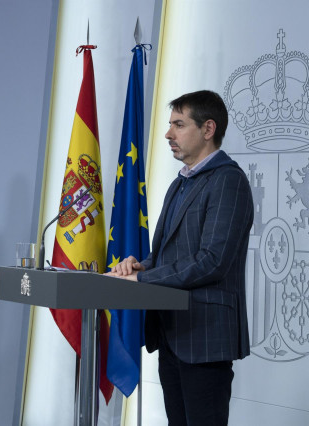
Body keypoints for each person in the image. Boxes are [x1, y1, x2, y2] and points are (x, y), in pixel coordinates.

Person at [107, 90, 253, 426]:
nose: (168, 134)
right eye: (170, 124)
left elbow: (212, 260)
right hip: (172, 333)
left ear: (208, 129)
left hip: (205, 337)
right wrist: (141, 265)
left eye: (178, 124)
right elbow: (167, 254)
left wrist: (143, 278)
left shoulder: (228, 181)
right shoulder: (180, 183)